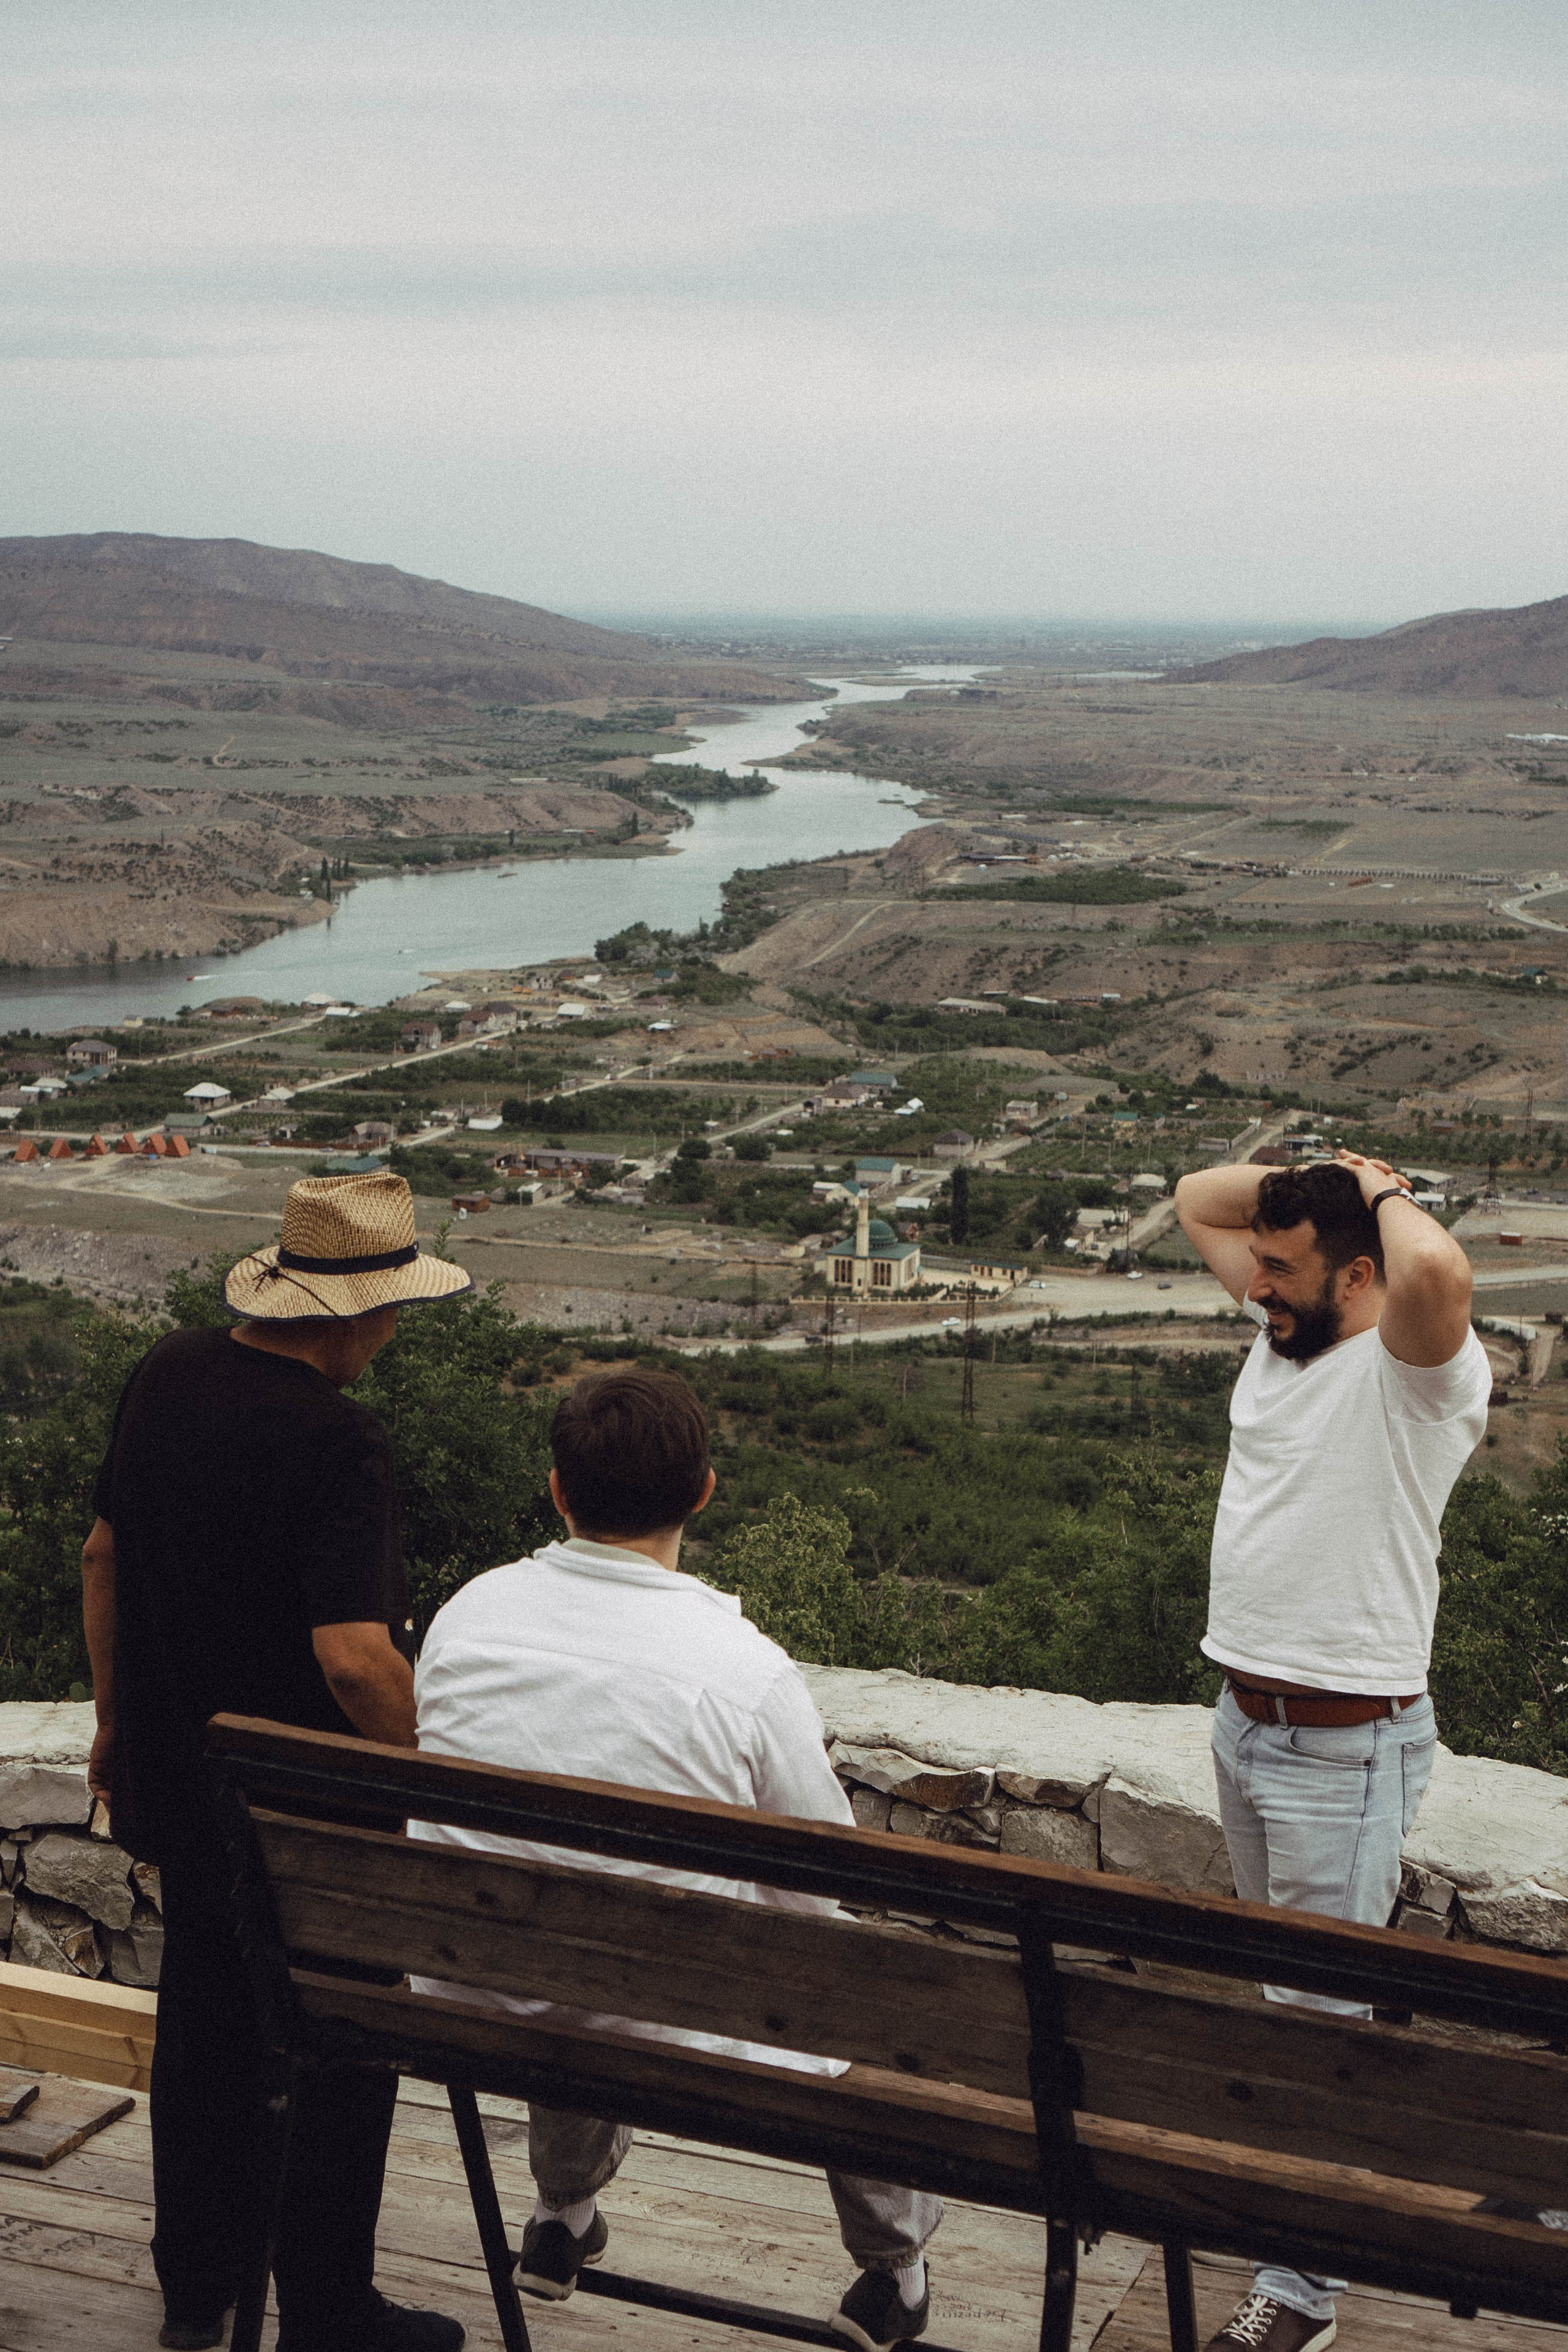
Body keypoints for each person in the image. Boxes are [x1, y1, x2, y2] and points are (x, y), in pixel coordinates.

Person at [411, 1365, 943, 2352]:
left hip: (474, 1989)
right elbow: (827, 1878)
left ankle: (561, 2220)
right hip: (672, 2017)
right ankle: (895, 2271)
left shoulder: (466, 1621)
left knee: (562, 1937)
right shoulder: (743, 1672)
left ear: (560, 1490)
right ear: (703, 1491)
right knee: (856, 1991)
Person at [82, 1172, 473, 2352]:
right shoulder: (339, 1439)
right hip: (301, 1814)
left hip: (177, 1776)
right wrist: (429, 1768)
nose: (397, 1332)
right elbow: (355, 1658)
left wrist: (111, 1723)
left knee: (204, 2016)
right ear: (348, 1315)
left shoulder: (170, 1374)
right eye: (395, 1307)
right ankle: (327, 2307)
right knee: (347, 2037)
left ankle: (198, 2289)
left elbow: (104, 1556)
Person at [1174, 1150, 1490, 2352]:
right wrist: (1314, 1173)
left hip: (1338, 1752)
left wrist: (1384, 1182)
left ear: (1356, 1273)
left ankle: (1296, 2300)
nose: (1251, 1283)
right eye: (1255, 1264)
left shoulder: (1413, 1373)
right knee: (1283, 2007)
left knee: (1309, 2030)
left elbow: (1442, 1268)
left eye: (1278, 1268)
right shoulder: (1284, 1331)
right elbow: (1192, 1197)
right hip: (1244, 1728)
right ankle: (1295, 2237)